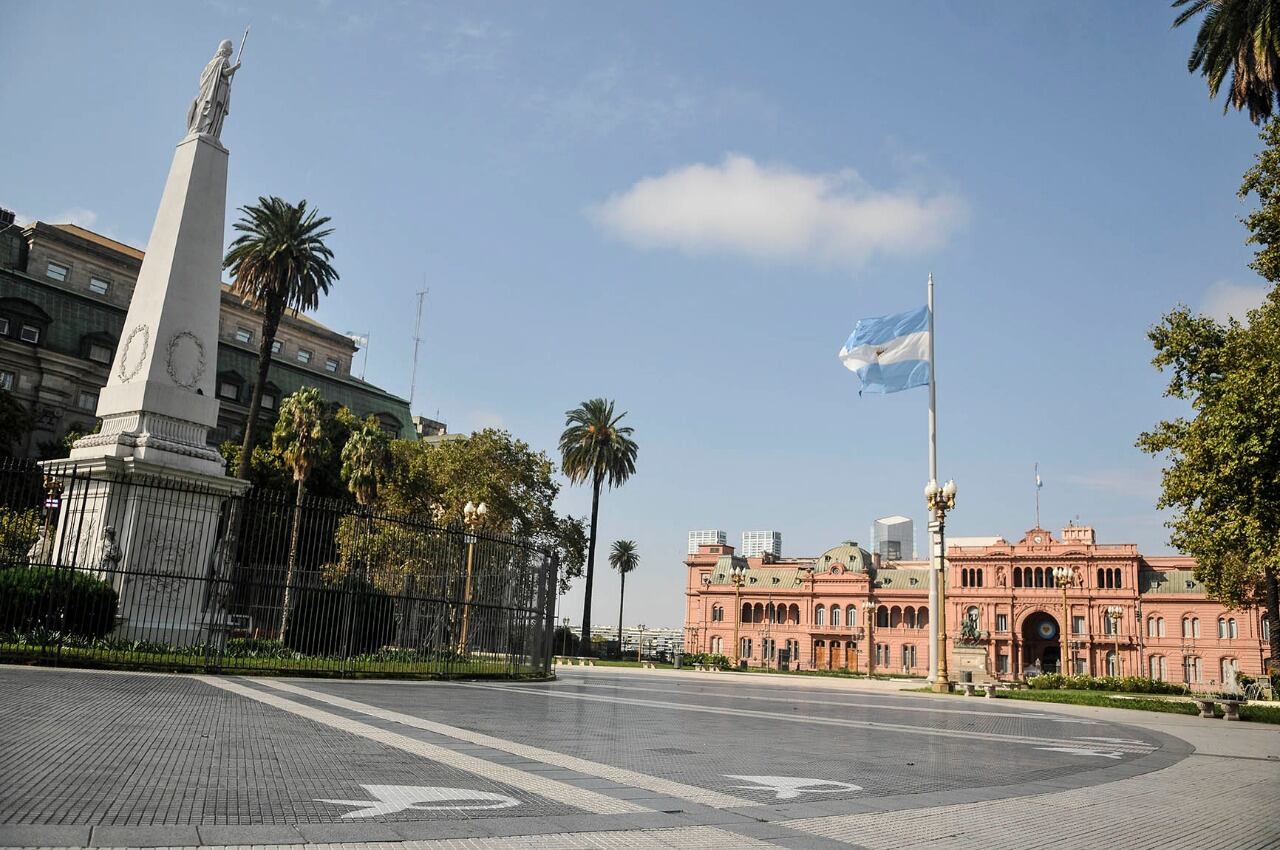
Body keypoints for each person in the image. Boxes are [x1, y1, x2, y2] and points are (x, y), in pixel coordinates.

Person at [187, 40, 241, 139]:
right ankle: (209, 131)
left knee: (206, 109)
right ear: (226, 51)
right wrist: (235, 67)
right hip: (217, 91)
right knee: (214, 110)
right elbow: (225, 73)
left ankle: (202, 129)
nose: (229, 55)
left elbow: (203, 77)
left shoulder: (211, 63)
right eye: (229, 52)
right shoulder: (223, 61)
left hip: (208, 92)